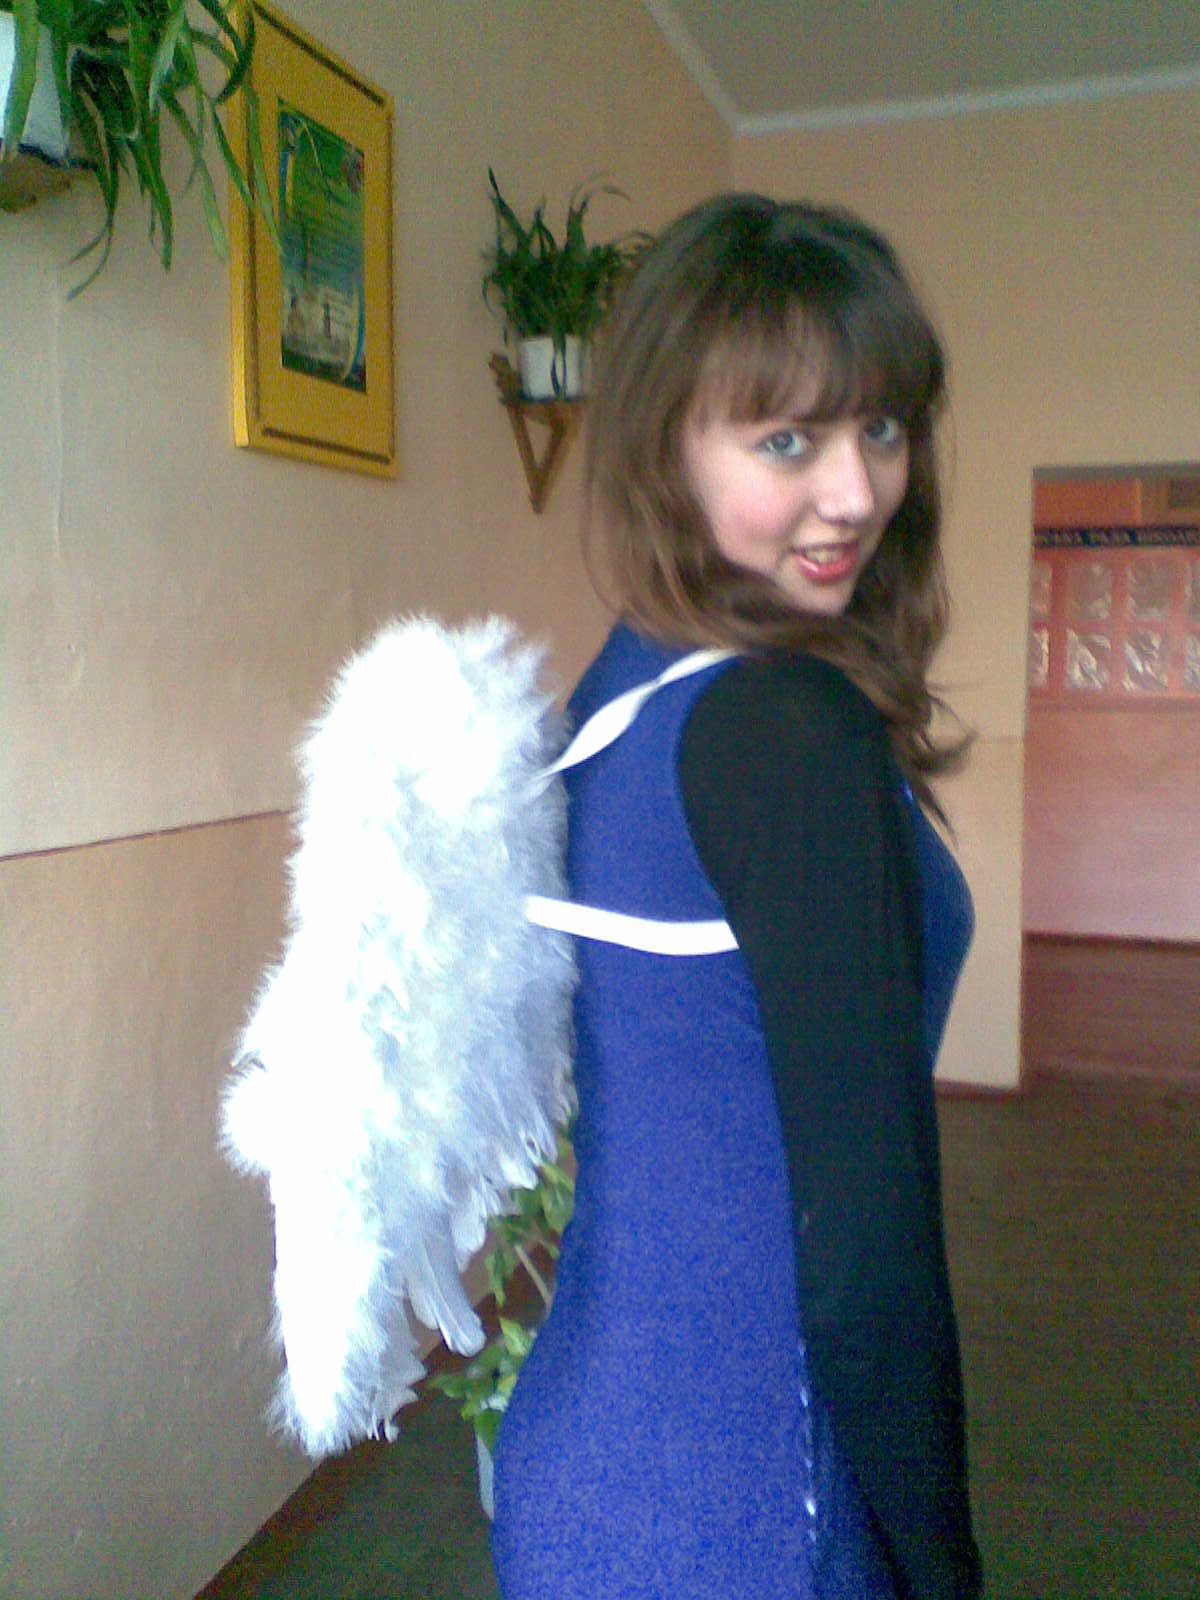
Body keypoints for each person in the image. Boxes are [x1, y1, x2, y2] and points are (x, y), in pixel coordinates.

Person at [490, 192, 983, 1600]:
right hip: (749, 1507)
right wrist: (942, 1569)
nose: (858, 493)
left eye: (881, 427)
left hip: (583, 1464)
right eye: (787, 441)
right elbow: (869, 1261)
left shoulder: (612, 695)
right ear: (665, 448)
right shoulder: (784, 730)